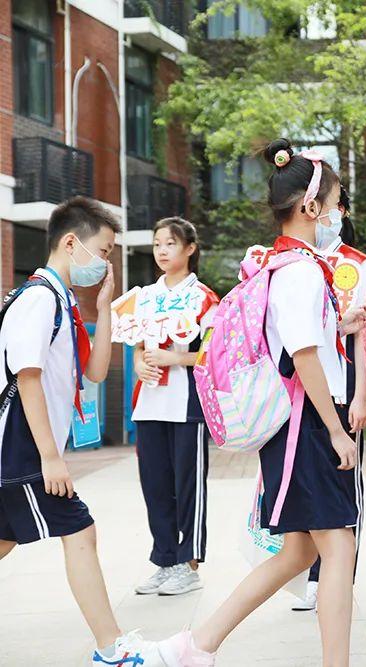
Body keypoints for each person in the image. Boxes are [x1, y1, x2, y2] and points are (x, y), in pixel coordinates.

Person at [158, 140, 366, 667]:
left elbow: (301, 342)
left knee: (300, 550)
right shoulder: (300, 271)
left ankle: (196, 644)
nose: (340, 214)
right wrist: (337, 430)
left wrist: (339, 324)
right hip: (309, 426)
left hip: (299, 426)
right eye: (336, 203)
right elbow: (302, 354)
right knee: (338, 547)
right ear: (311, 207)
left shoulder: (285, 265)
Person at [0, 196, 164, 666]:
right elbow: (27, 377)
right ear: (71, 243)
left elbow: (93, 372)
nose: (106, 262)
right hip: (23, 445)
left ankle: (111, 647)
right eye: (104, 251)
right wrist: (50, 458)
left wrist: (104, 307)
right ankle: (112, 647)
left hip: (26, 444)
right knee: (80, 530)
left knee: (6, 539)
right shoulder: (38, 299)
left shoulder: (62, 301)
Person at [292, 188, 366, 612]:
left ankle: (336, 579)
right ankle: (312, 574)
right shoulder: (294, 262)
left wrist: (361, 396)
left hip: (344, 385)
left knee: (345, 485)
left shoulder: (358, 265)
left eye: (335, 205)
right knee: (310, 483)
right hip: (301, 390)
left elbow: (365, 337)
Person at [132, 218, 218, 597]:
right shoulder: (144, 297)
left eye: (170, 243)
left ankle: (189, 564)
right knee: (155, 486)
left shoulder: (204, 298)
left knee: (188, 487)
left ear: (190, 248)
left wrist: (175, 359)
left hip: (186, 405)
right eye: (157, 244)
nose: (162, 250)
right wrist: (139, 363)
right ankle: (165, 560)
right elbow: (137, 345)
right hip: (149, 403)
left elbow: (214, 353)